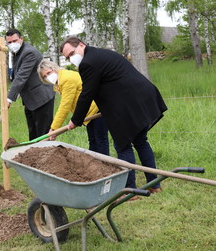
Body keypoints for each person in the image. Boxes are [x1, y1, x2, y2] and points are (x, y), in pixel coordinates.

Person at [62, 36, 167, 197]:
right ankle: (154, 185)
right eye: (67, 57)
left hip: (128, 105)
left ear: (81, 45)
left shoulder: (88, 63)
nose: (71, 59)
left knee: (123, 145)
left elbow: (87, 94)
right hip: (141, 96)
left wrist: (75, 120)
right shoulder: (101, 54)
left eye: (71, 53)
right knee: (140, 141)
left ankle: (128, 190)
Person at [37, 59, 109, 155]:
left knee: (100, 140)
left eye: (48, 73)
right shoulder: (60, 81)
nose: (48, 77)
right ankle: (94, 165)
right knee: (93, 140)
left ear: (54, 68)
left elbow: (65, 105)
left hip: (96, 108)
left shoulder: (66, 79)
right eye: (45, 76)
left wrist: (54, 129)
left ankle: (105, 166)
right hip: (88, 111)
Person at [5, 29, 55, 140]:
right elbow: (19, 74)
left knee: (43, 135)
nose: (12, 44)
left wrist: (9, 98)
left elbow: (22, 76)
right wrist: (17, 92)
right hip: (31, 100)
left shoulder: (29, 52)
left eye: (14, 40)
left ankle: (46, 156)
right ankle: (35, 156)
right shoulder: (17, 53)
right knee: (33, 135)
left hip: (41, 98)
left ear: (21, 39)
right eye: (9, 42)